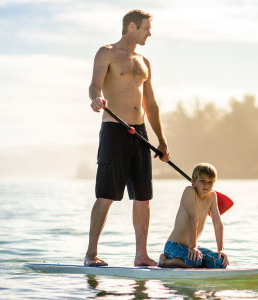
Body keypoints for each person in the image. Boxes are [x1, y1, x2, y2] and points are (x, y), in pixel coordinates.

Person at [84, 9, 170, 267]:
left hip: (140, 132)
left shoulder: (145, 62)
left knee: (143, 197)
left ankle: (141, 255)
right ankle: (91, 254)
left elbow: (151, 103)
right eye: (146, 28)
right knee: (106, 194)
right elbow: (94, 86)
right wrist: (95, 99)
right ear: (132, 26)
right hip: (114, 129)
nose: (149, 33)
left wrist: (162, 140)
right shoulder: (107, 52)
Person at [158, 163, 229, 268]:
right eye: (202, 181)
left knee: (219, 262)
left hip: (191, 247)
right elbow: (193, 218)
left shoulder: (212, 196)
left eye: (210, 182)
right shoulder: (189, 191)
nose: (206, 185)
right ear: (193, 181)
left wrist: (220, 250)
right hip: (174, 246)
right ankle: (165, 261)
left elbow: (218, 223)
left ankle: (198, 263)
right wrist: (192, 247)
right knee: (194, 262)